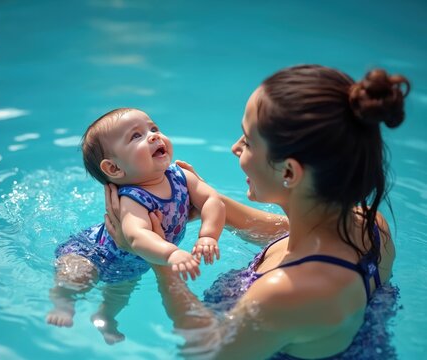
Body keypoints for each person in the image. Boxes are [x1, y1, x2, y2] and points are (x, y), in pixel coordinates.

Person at [104, 65, 409, 358]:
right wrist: (196, 193)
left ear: (289, 172)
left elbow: (208, 354)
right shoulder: (367, 223)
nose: (235, 148)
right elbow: (281, 232)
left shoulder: (285, 294)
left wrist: (161, 263)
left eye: (248, 141)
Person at [47, 108, 225, 344]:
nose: (153, 136)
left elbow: (213, 200)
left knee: (121, 292)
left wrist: (208, 236)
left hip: (134, 262)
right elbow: (136, 236)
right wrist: (171, 253)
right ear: (114, 169)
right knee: (77, 278)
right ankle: (63, 302)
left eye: (153, 128)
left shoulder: (180, 176)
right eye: (136, 136)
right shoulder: (133, 198)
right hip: (93, 252)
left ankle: (105, 316)